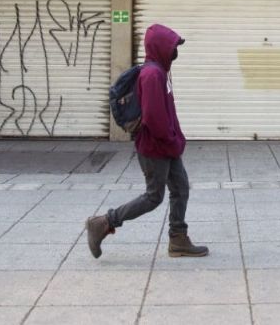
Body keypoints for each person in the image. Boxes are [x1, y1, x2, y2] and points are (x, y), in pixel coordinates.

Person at [85, 23, 208, 259]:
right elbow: (154, 117)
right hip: (155, 148)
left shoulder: (160, 71)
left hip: (166, 146)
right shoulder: (152, 74)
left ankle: (178, 239)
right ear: (160, 47)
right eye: (172, 46)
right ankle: (103, 222)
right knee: (154, 196)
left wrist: (176, 139)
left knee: (180, 188)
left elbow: (168, 112)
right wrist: (172, 139)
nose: (175, 51)